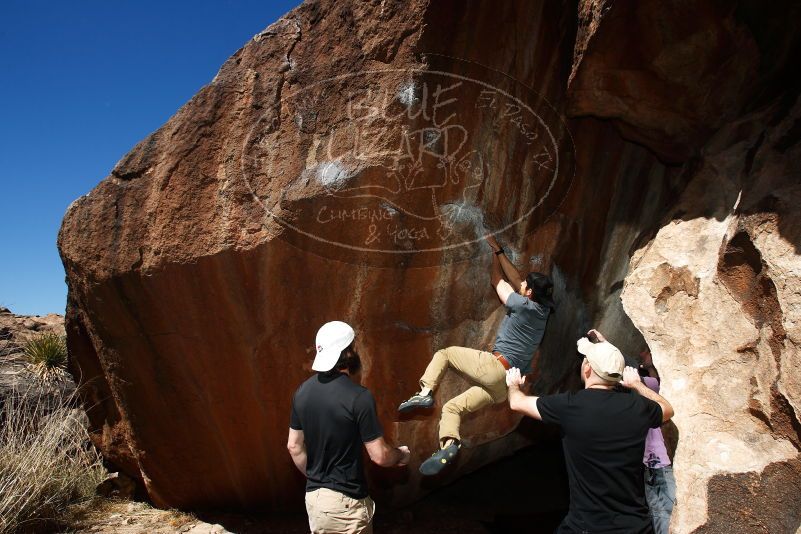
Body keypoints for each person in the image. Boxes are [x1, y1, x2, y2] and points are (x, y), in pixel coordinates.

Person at [398, 235, 554, 475]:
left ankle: (425, 392)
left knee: (445, 354)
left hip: (495, 366)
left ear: (529, 293)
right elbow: (517, 280)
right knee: (452, 408)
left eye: (525, 286)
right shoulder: (542, 311)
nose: (521, 285)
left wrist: (494, 257)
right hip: (503, 388)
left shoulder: (521, 305)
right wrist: (499, 250)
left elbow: (497, 280)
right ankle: (449, 444)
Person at [506, 329, 675, 533]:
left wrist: (513, 385)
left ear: (587, 368)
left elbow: (517, 403)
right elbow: (667, 409)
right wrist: (638, 385)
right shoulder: (637, 407)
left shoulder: (569, 406)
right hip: (635, 527)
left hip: (587, 527)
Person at [287, 321, 411, 534]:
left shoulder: (302, 393)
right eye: (353, 347)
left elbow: (294, 447)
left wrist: (320, 480)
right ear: (348, 353)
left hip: (315, 502)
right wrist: (400, 455)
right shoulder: (359, 397)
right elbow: (379, 455)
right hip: (347, 505)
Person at [638, 351, 676, 534]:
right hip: (648, 463)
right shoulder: (645, 385)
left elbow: (659, 386)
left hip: (657, 462)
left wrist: (649, 367)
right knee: (657, 512)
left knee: (662, 512)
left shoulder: (646, 384)